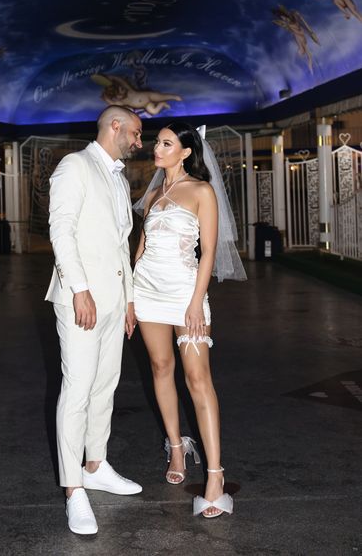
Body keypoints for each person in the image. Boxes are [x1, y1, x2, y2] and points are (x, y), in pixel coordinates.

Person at [133, 121, 246, 519]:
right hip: (146, 293)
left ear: (185, 151)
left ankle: (215, 476)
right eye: (156, 142)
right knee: (160, 368)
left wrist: (197, 302)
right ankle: (177, 449)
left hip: (185, 295)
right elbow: (142, 246)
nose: (156, 148)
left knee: (197, 378)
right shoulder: (153, 194)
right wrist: (131, 297)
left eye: (166, 143)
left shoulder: (202, 190)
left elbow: (209, 251)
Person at [46, 105, 143, 535]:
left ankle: (96, 465)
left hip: (112, 302)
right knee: (78, 390)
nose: (140, 142)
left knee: (105, 387)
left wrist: (128, 301)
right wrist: (79, 289)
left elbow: (122, 245)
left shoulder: (119, 177)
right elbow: (60, 229)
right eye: (137, 133)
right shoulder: (75, 165)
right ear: (115, 127)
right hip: (80, 300)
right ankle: (73, 490)